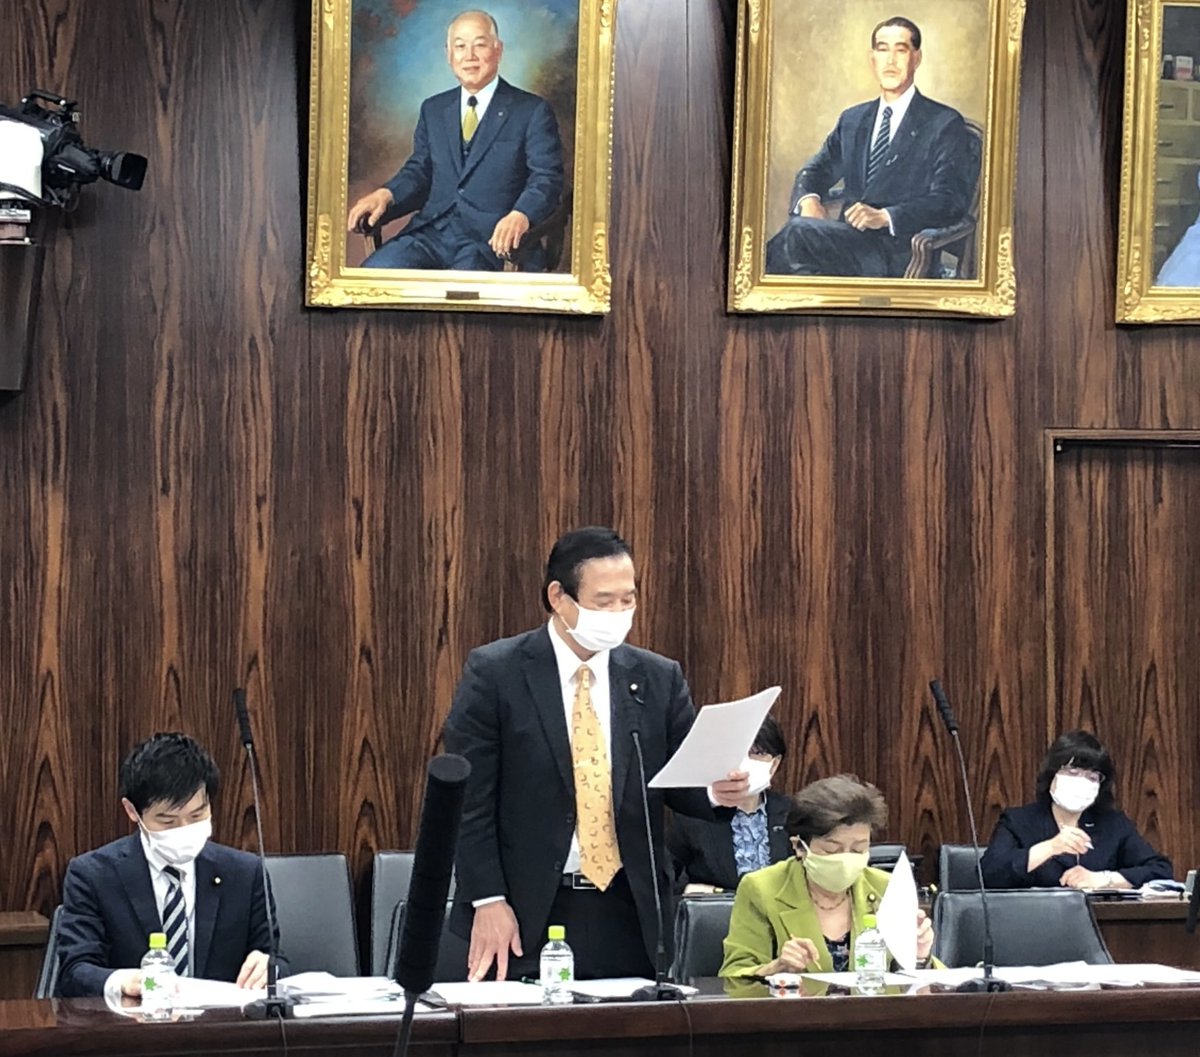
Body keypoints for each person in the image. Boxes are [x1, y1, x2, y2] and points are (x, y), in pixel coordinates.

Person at [442, 526, 751, 981]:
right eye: (604, 601)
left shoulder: (657, 677)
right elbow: (469, 802)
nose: (619, 613)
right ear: (558, 597)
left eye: (628, 599)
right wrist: (488, 899)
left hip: (630, 909)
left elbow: (679, 780)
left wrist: (717, 791)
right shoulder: (497, 673)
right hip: (526, 909)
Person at [57, 732, 284, 998]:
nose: (184, 829)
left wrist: (269, 968)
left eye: (197, 815)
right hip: (133, 1020)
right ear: (132, 811)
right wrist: (122, 982)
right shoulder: (93, 875)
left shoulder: (245, 873)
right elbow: (75, 972)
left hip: (220, 1020)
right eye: (167, 821)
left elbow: (275, 958)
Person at [347, 9, 564, 271]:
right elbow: (420, 171)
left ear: (498, 50)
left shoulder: (532, 110)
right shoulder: (434, 109)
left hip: (493, 243)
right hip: (431, 235)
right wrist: (386, 194)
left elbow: (547, 179)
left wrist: (522, 215)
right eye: (460, 46)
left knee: (461, 294)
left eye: (480, 45)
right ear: (449, 55)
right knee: (374, 275)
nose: (469, 56)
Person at [764, 16, 977, 279]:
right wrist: (809, 199)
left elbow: (950, 200)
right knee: (799, 267)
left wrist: (886, 216)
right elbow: (816, 170)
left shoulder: (943, 122)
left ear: (917, 58)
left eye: (901, 50)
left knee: (795, 238)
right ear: (872, 58)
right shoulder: (853, 119)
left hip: (900, 253)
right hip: (845, 244)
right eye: (882, 49)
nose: (890, 61)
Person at [719, 774, 934, 977]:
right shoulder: (761, 888)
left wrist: (920, 957)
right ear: (799, 847)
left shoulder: (886, 888)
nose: (845, 859)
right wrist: (777, 968)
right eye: (831, 850)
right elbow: (734, 975)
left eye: (858, 849)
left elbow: (914, 983)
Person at [980, 730, 1174, 890]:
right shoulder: (1018, 821)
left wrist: (1104, 879)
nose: (1082, 782)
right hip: (1033, 920)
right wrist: (1050, 847)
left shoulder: (1113, 824)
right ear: (1052, 775)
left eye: (1092, 777)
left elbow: (1160, 870)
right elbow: (989, 875)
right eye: (1073, 772)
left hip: (1099, 921)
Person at [667, 715, 793, 892]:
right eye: (738, 753)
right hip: (717, 909)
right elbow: (664, 879)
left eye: (758, 753)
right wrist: (690, 891)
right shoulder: (692, 815)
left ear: (774, 764)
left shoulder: (792, 813)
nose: (746, 763)